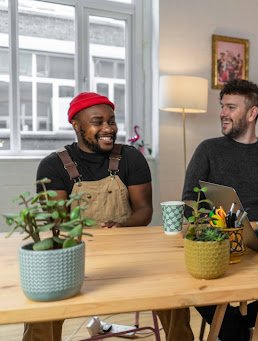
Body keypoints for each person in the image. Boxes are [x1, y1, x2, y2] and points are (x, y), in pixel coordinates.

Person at [28, 92, 191, 341]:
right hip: (74, 258)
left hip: (131, 256)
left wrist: (122, 225)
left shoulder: (131, 158)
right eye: (98, 122)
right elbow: (57, 224)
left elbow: (144, 211)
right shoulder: (52, 165)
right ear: (76, 125)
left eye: (112, 121)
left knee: (176, 292)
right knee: (40, 308)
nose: (108, 128)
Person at [182, 79, 258, 340]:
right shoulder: (207, 150)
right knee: (196, 282)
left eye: (231, 107)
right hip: (216, 244)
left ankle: (238, 327)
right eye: (222, 106)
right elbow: (188, 202)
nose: (222, 113)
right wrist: (208, 228)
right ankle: (237, 331)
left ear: (252, 113)